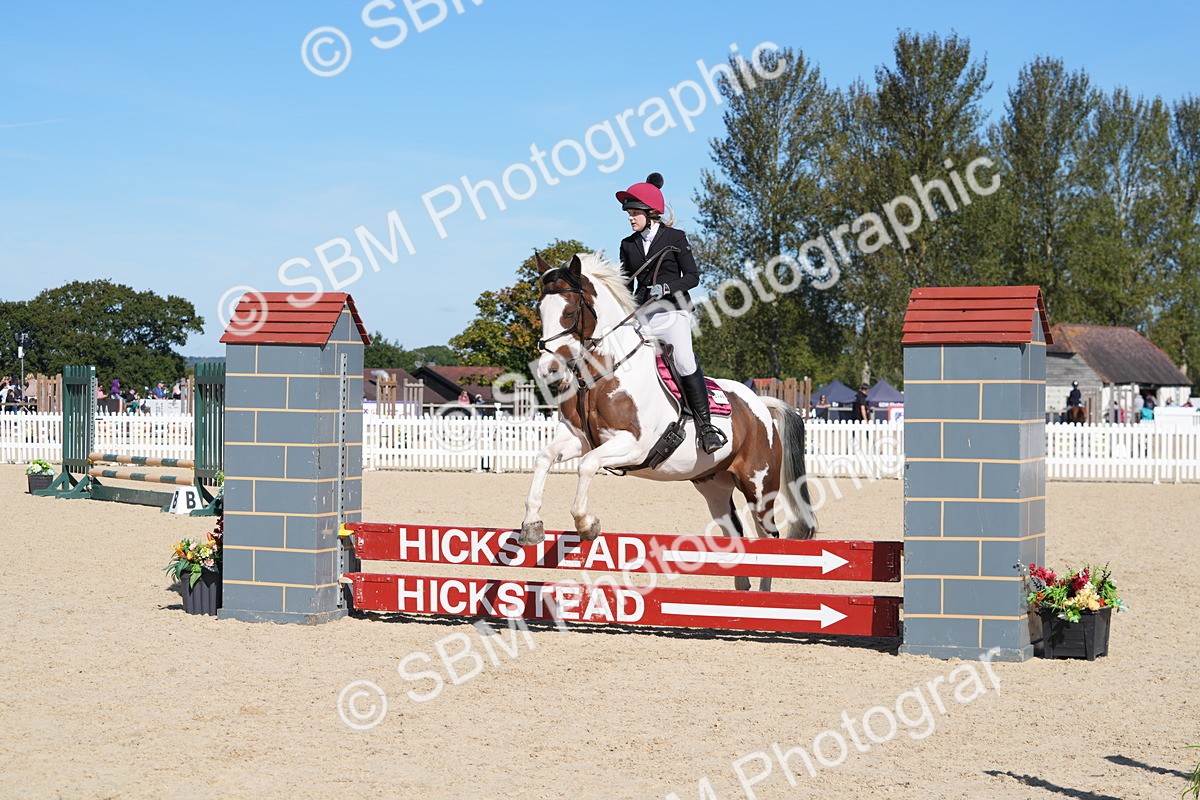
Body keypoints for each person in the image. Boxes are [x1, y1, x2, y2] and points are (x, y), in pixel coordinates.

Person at [616, 171, 726, 454]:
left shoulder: (675, 237)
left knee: (685, 361)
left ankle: (706, 427)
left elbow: (693, 277)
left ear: (650, 212)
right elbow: (625, 283)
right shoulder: (627, 245)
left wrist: (665, 288)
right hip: (643, 314)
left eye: (634, 212)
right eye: (629, 213)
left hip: (673, 312)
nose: (630, 217)